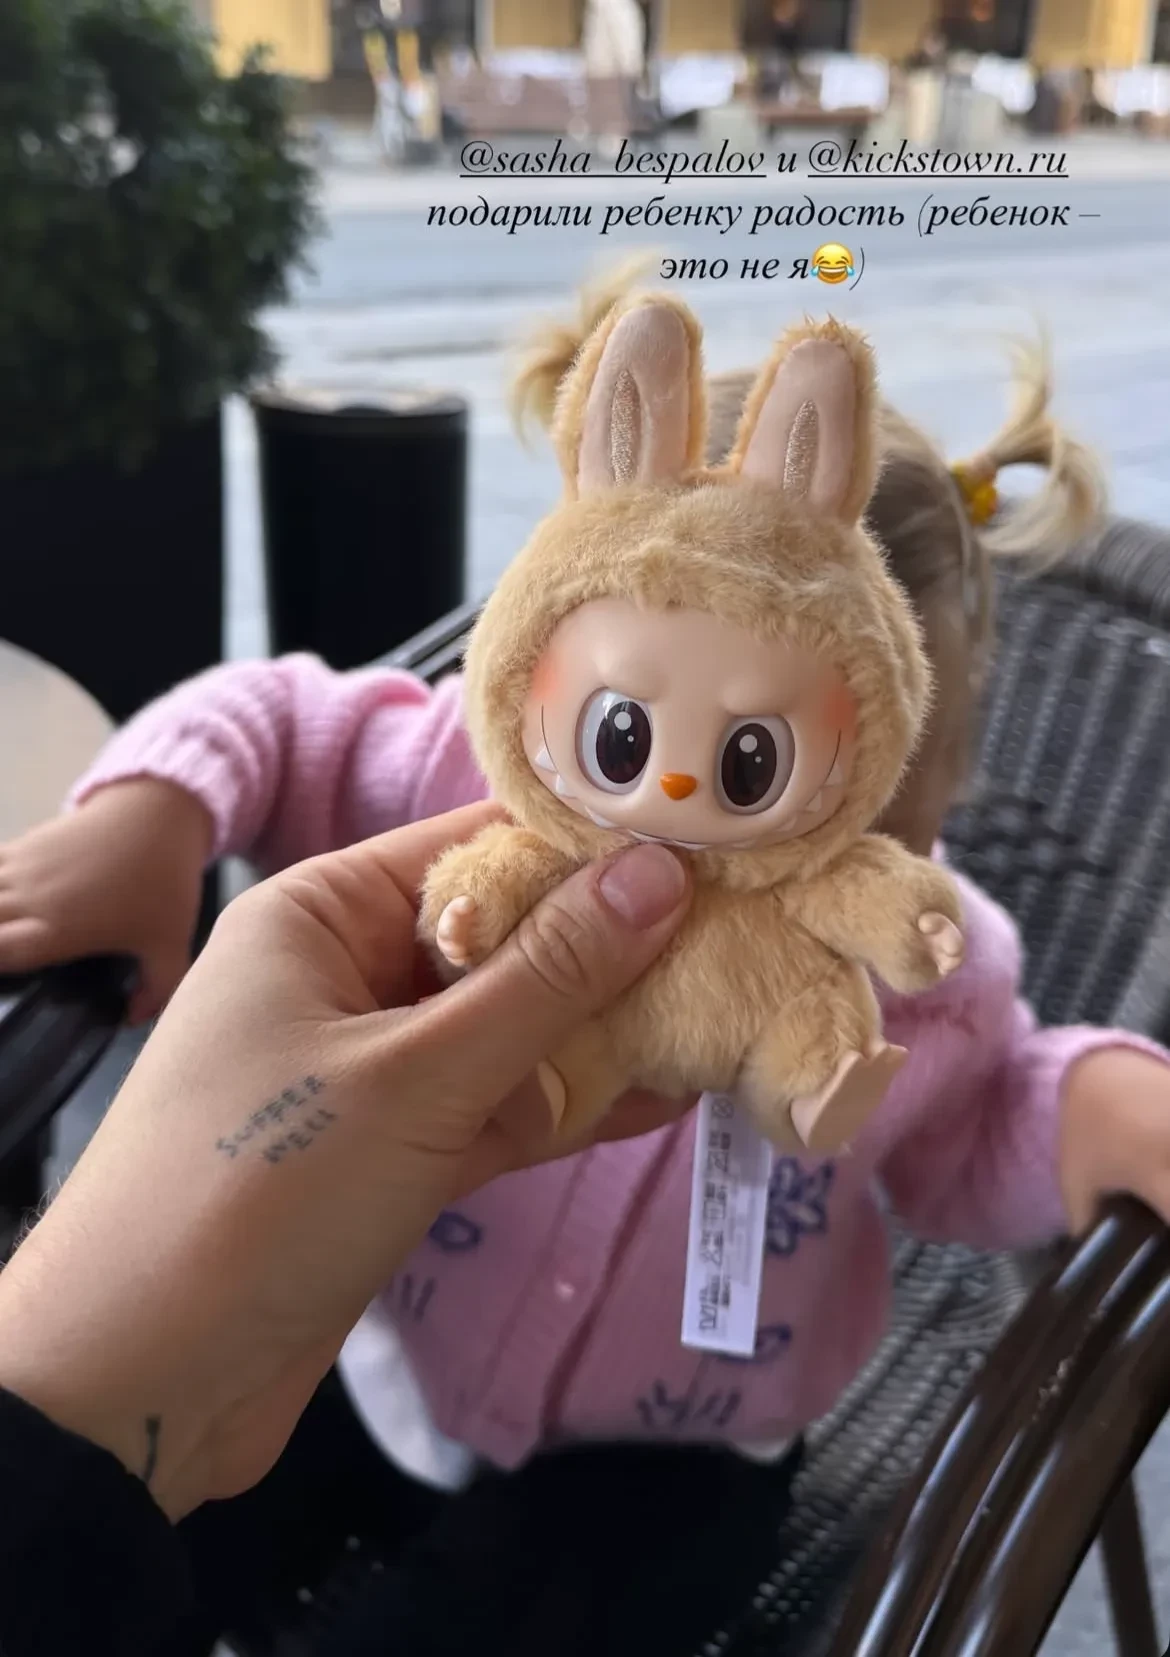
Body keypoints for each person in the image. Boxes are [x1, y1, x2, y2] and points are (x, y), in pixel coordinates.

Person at [3, 263, 1170, 1655]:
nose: (686, 831)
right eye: (631, 743)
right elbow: (276, 715)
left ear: (919, 771)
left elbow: (973, 1126)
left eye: (797, 799)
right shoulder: (446, 781)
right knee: (139, 1540)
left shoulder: (927, 956)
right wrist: (150, 818)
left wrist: (1089, 1102)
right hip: (382, 1346)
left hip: (680, 1449)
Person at [0, 805, 693, 1657]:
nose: (674, 782)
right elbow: (265, 731)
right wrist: (156, 808)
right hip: (386, 1376)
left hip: (675, 1448)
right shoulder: (470, 776)